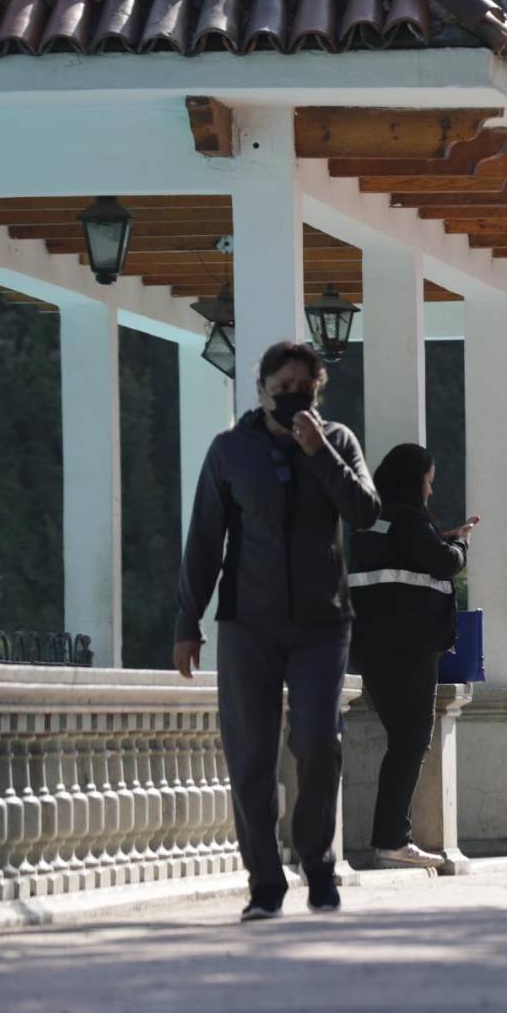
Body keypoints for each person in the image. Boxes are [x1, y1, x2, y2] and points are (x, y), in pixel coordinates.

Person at [173, 341, 380, 921]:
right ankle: (264, 883)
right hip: (248, 623)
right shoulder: (229, 451)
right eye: (281, 387)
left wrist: (320, 455)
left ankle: (318, 864)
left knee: (319, 741)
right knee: (251, 756)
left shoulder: (338, 441)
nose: (293, 396)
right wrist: (187, 621)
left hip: (322, 622)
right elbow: (204, 541)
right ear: (260, 391)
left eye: (303, 386)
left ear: (319, 388)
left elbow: (365, 511)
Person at [348, 444, 478, 870]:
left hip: (371, 647)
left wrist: (439, 541)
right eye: (428, 482)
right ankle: (391, 840)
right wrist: (460, 546)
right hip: (410, 647)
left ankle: (391, 838)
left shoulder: (371, 521)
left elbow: (407, 558)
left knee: (401, 740)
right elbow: (441, 564)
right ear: (413, 480)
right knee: (411, 740)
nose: (430, 492)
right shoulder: (407, 518)